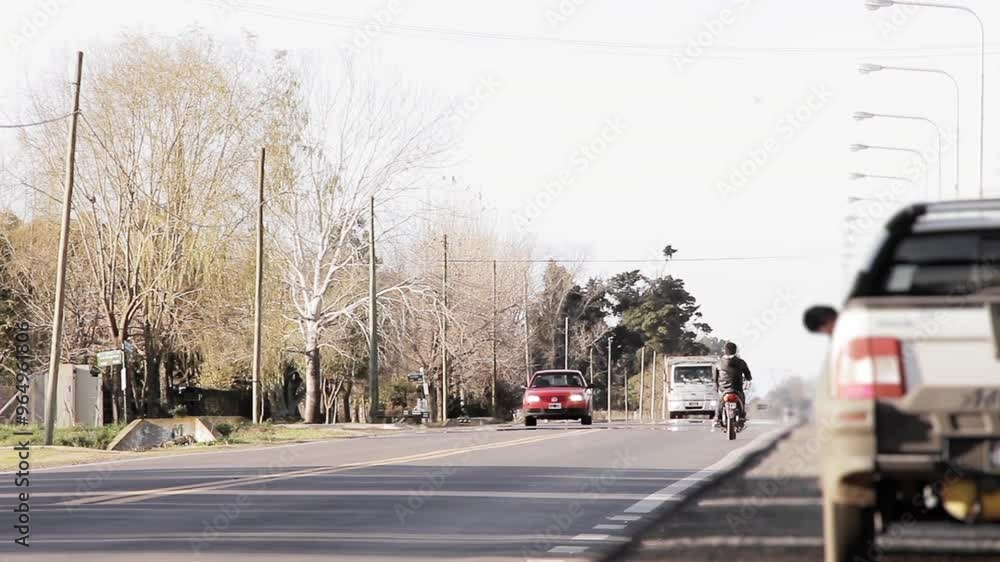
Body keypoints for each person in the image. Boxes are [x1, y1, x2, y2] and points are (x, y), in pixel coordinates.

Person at [714, 341, 752, 428]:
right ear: (735, 350)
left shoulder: (719, 363)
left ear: (725, 350)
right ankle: (742, 417)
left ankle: (717, 418)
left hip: (723, 389)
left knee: (719, 402)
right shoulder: (741, 362)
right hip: (737, 389)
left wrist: (717, 387)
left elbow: (715, 378)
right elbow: (748, 375)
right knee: (742, 399)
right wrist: (748, 380)